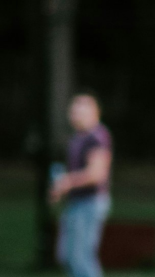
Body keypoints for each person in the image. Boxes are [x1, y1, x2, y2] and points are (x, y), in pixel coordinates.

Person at [50, 92, 114, 277]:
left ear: (95, 113)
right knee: (67, 256)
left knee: (81, 258)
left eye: (81, 112)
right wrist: (61, 188)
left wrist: (68, 182)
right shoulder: (78, 137)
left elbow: (97, 174)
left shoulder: (97, 137)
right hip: (76, 202)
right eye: (74, 112)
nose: (76, 116)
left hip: (89, 203)